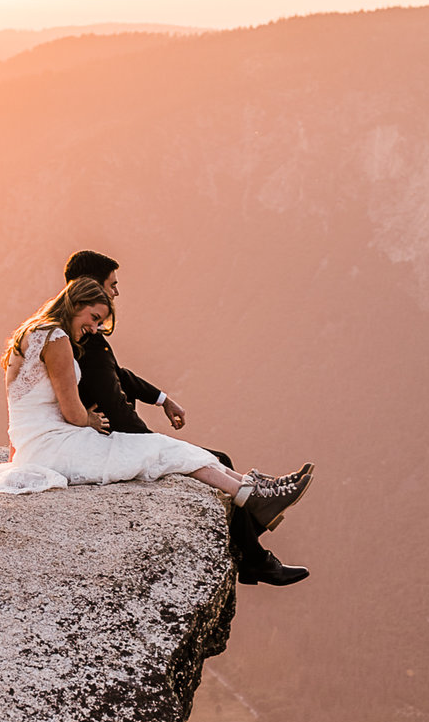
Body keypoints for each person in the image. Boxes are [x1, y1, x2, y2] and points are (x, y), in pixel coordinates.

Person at [0, 280, 313, 525]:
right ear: (74, 305)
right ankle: (249, 494)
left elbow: (19, 406)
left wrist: (25, 447)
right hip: (55, 446)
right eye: (92, 318)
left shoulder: (30, 334)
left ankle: (252, 490)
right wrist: (91, 421)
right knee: (160, 449)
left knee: (161, 448)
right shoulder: (55, 340)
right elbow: (71, 411)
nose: (93, 329)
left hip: (36, 444)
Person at [62, 249, 308, 586]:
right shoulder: (82, 336)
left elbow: (119, 375)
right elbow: (112, 400)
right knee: (213, 459)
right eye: (112, 285)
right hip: (105, 438)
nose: (117, 292)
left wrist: (162, 399)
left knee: (216, 459)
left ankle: (259, 522)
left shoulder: (79, 327)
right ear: (92, 286)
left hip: (107, 432)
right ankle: (258, 541)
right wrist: (151, 442)